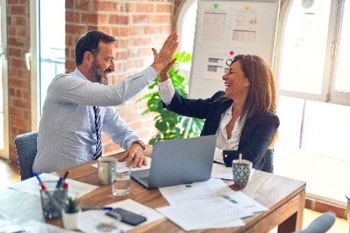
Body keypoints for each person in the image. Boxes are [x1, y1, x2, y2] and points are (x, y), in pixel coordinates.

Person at [33, 30, 178, 173]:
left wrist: (135, 143)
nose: (112, 68)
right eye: (108, 59)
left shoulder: (97, 96)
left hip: (85, 175)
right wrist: (157, 66)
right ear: (88, 57)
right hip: (52, 181)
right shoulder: (63, 84)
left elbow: (119, 129)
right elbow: (116, 95)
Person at [158, 54, 279, 172]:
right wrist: (163, 75)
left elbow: (249, 159)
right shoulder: (219, 102)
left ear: (248, 80)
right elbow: (179, 105)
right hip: (205, 177)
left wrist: (207, 152)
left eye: (231, 72)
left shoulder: (266, 120)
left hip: (241, 185)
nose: (224, 77)